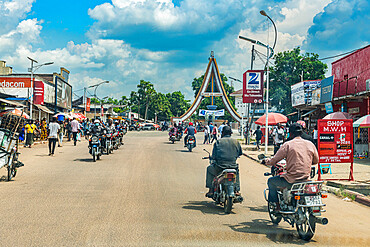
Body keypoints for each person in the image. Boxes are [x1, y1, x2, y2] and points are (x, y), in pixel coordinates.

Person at [265, 123, 319, 211]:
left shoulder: (288, 145)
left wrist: (267, 161)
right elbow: (316, 161)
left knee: (271, 181)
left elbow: (274, 160)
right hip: (306, 179)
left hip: (291, 180)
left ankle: (277, 206)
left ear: (291, 133)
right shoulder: (310, 144)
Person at [205, 126, 243, 197]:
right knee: (236, 172)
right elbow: (240, 153)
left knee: (209, 169)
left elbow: (214, 156)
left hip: (220, 166)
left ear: (222, 133)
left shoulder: (218, 142)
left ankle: (210, 190)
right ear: (231, 133)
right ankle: (237, 190)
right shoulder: (236, 142)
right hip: (233, 166)